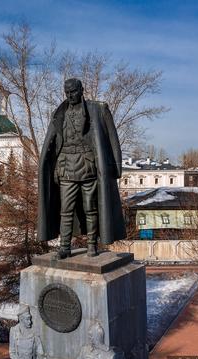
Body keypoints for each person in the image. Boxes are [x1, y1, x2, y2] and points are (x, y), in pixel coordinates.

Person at [37, 78, 126, 259]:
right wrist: (51, 167)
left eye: (74, 92)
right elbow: (51, 144)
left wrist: (116, 166)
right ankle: (64, 247)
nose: (70, 96)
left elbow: (112, 140)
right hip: (66, 168)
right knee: (66, 210)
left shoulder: (96, 109)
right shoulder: (59, 114)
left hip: (88, 167)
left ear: (81, 90)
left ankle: (92, 245)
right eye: (67, 93)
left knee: (90, 208)